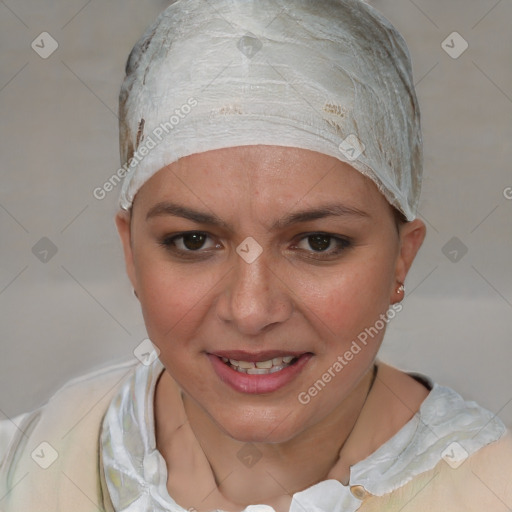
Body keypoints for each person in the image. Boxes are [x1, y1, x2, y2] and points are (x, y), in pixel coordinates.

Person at [1, 0, 511, 511]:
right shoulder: (27, 469)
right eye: (193, 241)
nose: (250, 311)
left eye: (318, 242)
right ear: (131, 254)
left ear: (402, 257)